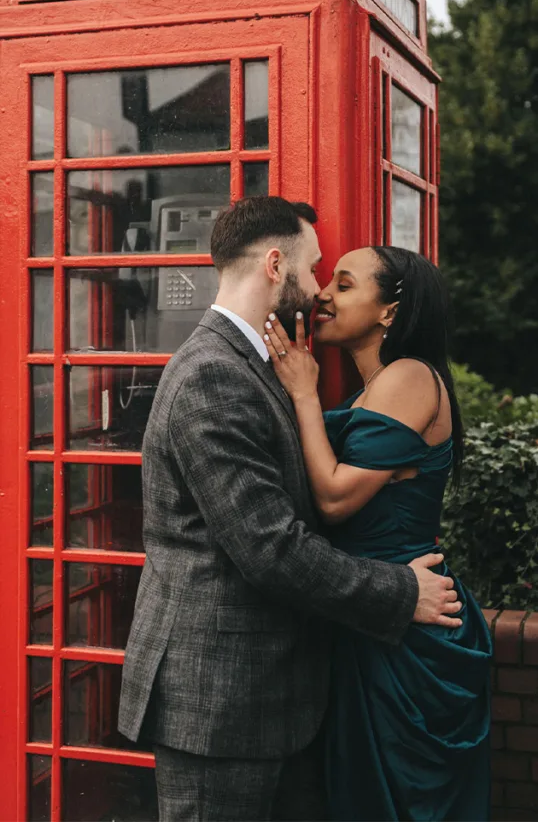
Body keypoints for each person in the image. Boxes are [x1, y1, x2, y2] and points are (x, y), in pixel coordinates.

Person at [118, 197, 462, 822]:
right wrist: (398, 591)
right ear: (276, 265)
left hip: (283, 692)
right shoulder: (213, 375)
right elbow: (270, 547)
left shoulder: (257, 367)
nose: (319, 290)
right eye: (314, 269)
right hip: (220, 700)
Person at [263, 243, 491, 822]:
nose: (321, 295)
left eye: (343, 285)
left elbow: (336, 499)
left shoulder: (409, 378)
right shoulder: (373, 389)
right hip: (370, 609)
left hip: (406, 630)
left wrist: (304, 393)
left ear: (390, 311)